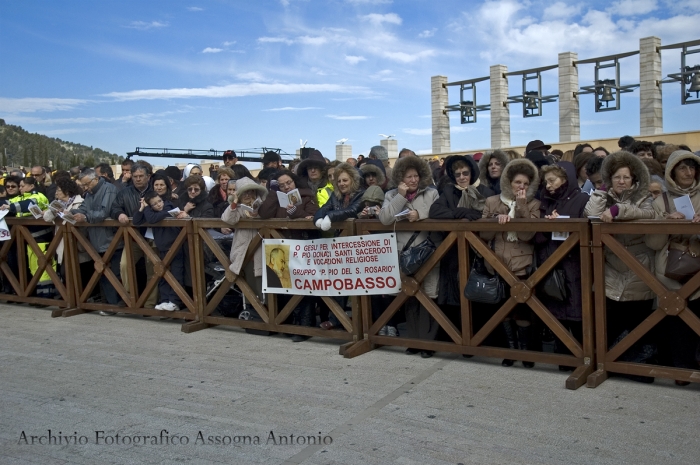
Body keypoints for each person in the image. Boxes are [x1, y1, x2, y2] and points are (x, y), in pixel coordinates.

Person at [584, 151, 656, 380]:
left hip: (639, 266)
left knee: (638, 320)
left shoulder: (644, 197)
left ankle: (639, 369)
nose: (622, 182)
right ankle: (611, 364)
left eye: (626, 177)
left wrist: (618, 210)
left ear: (634, 180)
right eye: (617, 177)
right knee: (611, 320)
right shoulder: (606, 195)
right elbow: (591, 215)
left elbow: (649, 214)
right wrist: (602, 194)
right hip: (611, 267)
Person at [646, 150, 700, 385]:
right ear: (672, 173)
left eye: (692, 167)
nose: (688, 172)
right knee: (677, 321)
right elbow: (653, 243)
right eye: (682, 168)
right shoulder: (661, 201)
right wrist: (666, 223)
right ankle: (681, 371)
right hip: (670, 269)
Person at [378, 156, 441, 358]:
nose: (413, 180)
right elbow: (385, 218)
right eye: (408, 177)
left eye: (415, 176)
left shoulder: (432, 192)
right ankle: (413, 341)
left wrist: (418, 214)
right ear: (401, 178)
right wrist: (400, 196)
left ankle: (427, 343)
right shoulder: (391, 194)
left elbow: (439, 212)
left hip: (426, 252)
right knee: (409, 297)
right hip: (403, 253)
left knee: (428, 297)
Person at [481, 158, 541, 368]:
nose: (521, 187)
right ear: (509, 182)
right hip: (498, 264)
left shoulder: (534, 203)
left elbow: (528, 233)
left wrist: (521, 205)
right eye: (517, 183)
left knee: (522, 312)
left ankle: (525, 353)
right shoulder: (491, 201)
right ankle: (511, 351)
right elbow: (482, 233)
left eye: (525, 183)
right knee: (503, 312)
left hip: (522, 265)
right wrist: (495, 221)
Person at [535, 162, 589, 370]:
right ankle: (563, 357)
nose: (548, 185)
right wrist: (547, 226)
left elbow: (587, 231)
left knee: (576, 312)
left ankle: (581, 356)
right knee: (555, 312)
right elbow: (537, 237)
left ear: (565, 179)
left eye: (552, 180)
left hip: (574, 263)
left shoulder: (582, 199)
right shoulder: (545, 201)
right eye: (546, 181)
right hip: (550, 262)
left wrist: (562, 224)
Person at [71, 168, 123, 312]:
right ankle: (110, 304)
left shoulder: (109, 189)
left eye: (87, 184)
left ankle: (116, 304)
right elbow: (83, 208)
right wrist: (70, 212)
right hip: (96, 239)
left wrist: (86, 217)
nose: (85, 188)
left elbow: (104, 212)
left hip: (111, 239)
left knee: (113, 273)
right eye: (83, 186)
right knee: (102, 272)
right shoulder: (90, 193)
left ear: (95, 179)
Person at [110, 162, 158, 308]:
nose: (137, 179)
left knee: (153, 269)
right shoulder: (125, 192)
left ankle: (150, 303)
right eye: (135, 176)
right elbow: (114, 208)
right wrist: (120, 214)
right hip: (133, 238)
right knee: (124, 265)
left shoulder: (156, 191)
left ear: (148, 177)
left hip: (153, 237)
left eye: (141, 176)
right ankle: (130, 299)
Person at [133, 192, 184, 312]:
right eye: (154, 204)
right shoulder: (150, 211)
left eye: (159, 201)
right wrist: (142, 208)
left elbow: (152, 218)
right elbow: (136, 221)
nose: (159, 205)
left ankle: (175, 301)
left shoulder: (168, 207)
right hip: (162, 247)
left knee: (176, 274)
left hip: (175, 246)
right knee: (163, 274)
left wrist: (147, 208)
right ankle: (165, 300)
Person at [43, 177, 90, 291]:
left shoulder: (80, 202)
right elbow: (46, 218)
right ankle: (69, 295)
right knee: (64, 270)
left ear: (67, 191)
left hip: (78, 242)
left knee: (80, 270)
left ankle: (79, 296)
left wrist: (67, 214)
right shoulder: (57, 203)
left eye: (59, 190)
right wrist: (54, 211)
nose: (56, 192)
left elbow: (78, 219)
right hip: (62, 242)